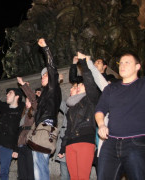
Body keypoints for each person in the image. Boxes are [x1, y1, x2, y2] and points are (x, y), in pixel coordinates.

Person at [95, 53, 145, 179]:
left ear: (137, 66)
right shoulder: (111, 88)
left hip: (136, 142)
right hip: (110, 143)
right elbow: (100, 109)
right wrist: (101, 125)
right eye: (121, 63)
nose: (122, 65)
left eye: (127, 62)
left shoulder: (142, 85)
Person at [58, 52, 100, 180]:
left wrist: (83, 64)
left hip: (85, 141)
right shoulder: (71, 106)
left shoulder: (91, 99)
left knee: (82, 177)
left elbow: (90, 81)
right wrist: (62, 147)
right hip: (70, 143)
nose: (78, 86)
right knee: (74, 177)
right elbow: (68, 128)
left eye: (81, 85)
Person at [31, 38, 62, 180]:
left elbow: (51, 68)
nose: (42, 77)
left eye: (45, 75)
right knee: (37, 166)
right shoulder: (44, 93)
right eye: (42, 75)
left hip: (46, 128)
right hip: (39, 129)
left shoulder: (53, 89)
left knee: (41, 165)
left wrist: (46, 49)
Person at [0, 72, 24, 180]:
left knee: (4, 173)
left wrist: (16, 149)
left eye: (10, 93)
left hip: (8, 145)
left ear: (17, 96)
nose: (7, 95)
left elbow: (20, 131)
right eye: (7, 93)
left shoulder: (22, 109)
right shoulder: (4, 107)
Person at [16, 77, 37, 180]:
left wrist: (24, 85)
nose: (26, 101)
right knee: (21, 173)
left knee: (30, 173)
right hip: (21, 144)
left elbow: (33, 99)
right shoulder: (24, 113)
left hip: (29, 144)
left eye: (28, 100)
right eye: (26, 100)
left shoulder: (34, 110)